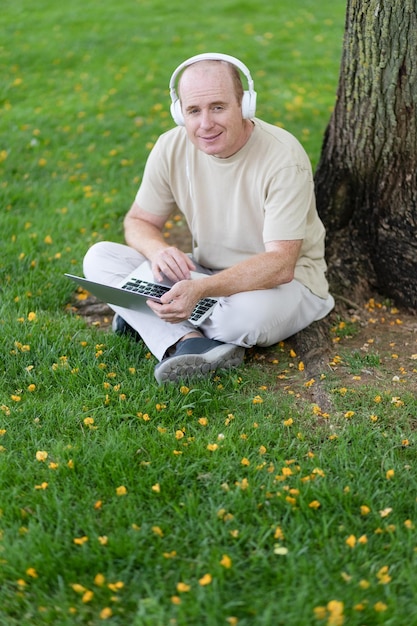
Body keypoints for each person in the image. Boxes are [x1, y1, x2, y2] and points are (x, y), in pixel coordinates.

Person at [83, 52, 334, 384]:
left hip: (285, 285)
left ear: (244, 105)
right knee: (100, 258)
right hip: (208, 275)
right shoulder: (170, 147)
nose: (205, 124)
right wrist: (158, 251)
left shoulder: (283, 158)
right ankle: (189, 342)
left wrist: (199, 290)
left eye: (218, 107)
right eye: (193, 111)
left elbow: (280, 264)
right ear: (179, 113)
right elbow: (139, 221)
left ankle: (147, 317)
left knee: (241, 320)